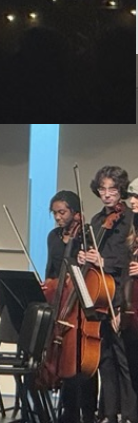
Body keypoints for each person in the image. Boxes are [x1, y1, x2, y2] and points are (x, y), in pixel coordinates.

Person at [77, 166, 137, 423]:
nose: (107, 194)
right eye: (103, 189)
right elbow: (95, 257)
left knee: (125, 361)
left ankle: (130, 415)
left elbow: (124, 260)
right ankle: (109, 414)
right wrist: (85, 258)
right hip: (100, 296)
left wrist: (103, 260)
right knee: (105, 361)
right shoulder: (96, 221)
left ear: (120, 190)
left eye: (113, 189)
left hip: (121, 294)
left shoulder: (130, 219)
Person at [44, 190, 98, 423]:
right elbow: (51, 269)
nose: (58, 217)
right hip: (60, 305)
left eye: (62, 212)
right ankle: (67, 409)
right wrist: (47, 285)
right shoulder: (53, 237)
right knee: (62, 354)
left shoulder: (86, 236)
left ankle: (87, 410)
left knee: (81, 358)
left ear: (76, 213)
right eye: (54, 213)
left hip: (80, 303)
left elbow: (91, 271)